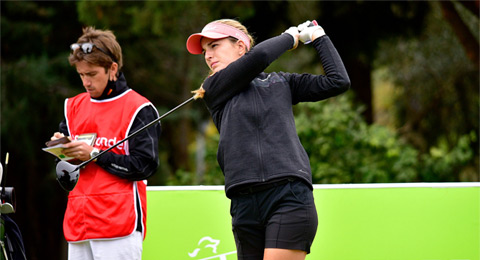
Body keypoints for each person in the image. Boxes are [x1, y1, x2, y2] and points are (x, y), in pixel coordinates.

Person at [186, 19, 350, 260]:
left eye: (214, 46)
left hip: (288, 196)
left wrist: (319, 37)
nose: (208, 55)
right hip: (244, 204)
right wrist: (291, 36)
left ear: (240, 46)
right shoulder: (213, 88)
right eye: (205, 51)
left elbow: (338, 81)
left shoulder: (282, 82)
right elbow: (261, 55)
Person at [50, 26, 161, 260]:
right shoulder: (72, 107)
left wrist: (95, 154)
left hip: (119, 225)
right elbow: (66, 172)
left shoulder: (139, 108)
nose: (85, 82)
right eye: (81, 75)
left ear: (112, 69)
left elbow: (144, 166)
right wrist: (62, 150)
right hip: (79, 223)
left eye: (91, 74)